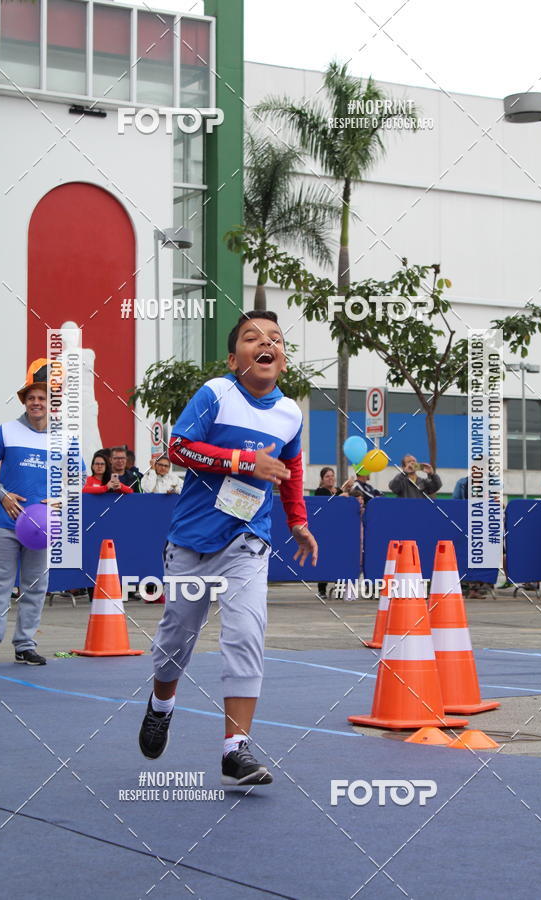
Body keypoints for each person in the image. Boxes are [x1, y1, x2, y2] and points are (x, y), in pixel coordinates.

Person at [138, 309, 318, 786]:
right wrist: (241, 461)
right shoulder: (216, 394)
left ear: (281, 359)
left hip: (248, 541)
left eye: (276, 339)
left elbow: (292, 469)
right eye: (253, 337)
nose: (267, 343)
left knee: (245, 635)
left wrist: (298, 522)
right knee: (176, 639)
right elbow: (177, 448)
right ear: (234, 356)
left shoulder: (290, 413)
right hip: (192, 541)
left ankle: (234, 749)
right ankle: (161, 705)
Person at [0, 361, 52, 667]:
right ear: (24, 401)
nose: (37, 402)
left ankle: (25, 644)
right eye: (32, 397)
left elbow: (76, 476)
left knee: (36, 586)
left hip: (42, 527)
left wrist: (58, 502)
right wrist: (3, 494)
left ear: (51, 403)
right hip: (5, 522)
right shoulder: (6, 431)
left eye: (42, 398)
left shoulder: (64, 438)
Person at [314, 467, 355, 599]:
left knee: (338, 559)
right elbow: (328, 504)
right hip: (325, 530)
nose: (331, 478)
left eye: (332, 475)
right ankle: (322, 589)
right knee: (324, 559)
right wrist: (340, 495)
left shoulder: (337, 491)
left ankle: (339, 587)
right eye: (327, 476)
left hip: (339, 530)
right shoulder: (320, 491)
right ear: (322, 479)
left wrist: (346, 490)